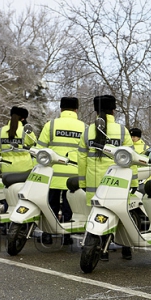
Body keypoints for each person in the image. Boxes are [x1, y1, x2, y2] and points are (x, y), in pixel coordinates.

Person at [78, 95, 136, 260]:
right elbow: (131, 158)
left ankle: (101, 249)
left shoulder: (88, 130)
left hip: (94, 182)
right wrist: (133, 182)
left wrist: (82, 181)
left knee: (99, 215)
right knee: (122, 213)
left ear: (95, 110)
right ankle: (126, 248)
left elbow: (81, 160)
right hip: (118, 181)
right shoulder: (121, 130)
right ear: (113, 110)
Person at [37, 96, 85, 245]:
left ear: (61, 109)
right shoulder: (84, 127)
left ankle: (47, 234)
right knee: (68, 206)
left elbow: (40, 150)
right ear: (76, 110)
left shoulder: (50, 125)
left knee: (50, 204)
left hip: (52, 174)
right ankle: (67, 235)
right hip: (73, 176)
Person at [0, 106, 38, 173]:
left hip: (6, 169)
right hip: (25, 169)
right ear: (23, 119)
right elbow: (35, 146)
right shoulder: (26, 131)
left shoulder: (0, 131)